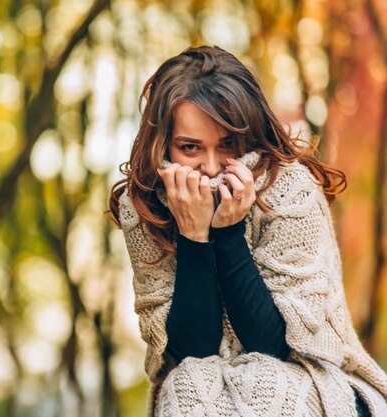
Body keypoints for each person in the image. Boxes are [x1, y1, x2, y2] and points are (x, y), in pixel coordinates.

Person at [109, 45, 387, 417]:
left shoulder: (290, 189)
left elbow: (275, 344)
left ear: (249, 136)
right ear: (164, 146)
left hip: (314, 378)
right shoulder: (144, 205)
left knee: (265, 389)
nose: (211, 167)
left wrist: (228, 232)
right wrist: (193, 236)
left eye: (227, 145)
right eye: (190, 147)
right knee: (186, 387)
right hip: (209, 383)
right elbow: (191, 350)